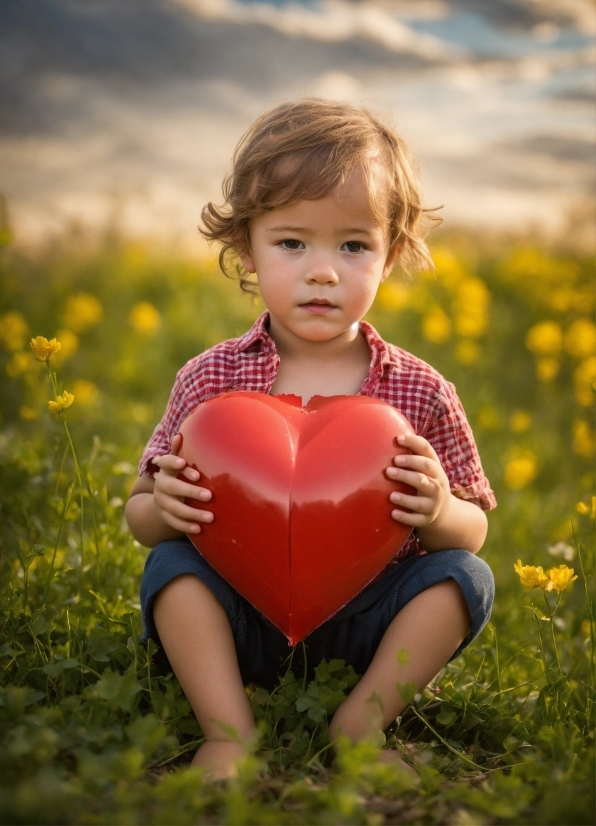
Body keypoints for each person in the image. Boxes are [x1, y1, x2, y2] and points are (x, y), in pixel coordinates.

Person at [125, 98, 496, 780]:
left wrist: (442, 511)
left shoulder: (420, 391)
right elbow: (142, 513)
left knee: (464, 578)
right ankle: (227, 731)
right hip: (241, 619)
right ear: (247, 248)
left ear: (391, 256)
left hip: (366, 626)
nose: (323, 271)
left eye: (354, 245)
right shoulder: (211, 377)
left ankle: (362, 722)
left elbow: (471, 526)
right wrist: (163, 508)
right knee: (171, 569)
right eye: (292, 243)